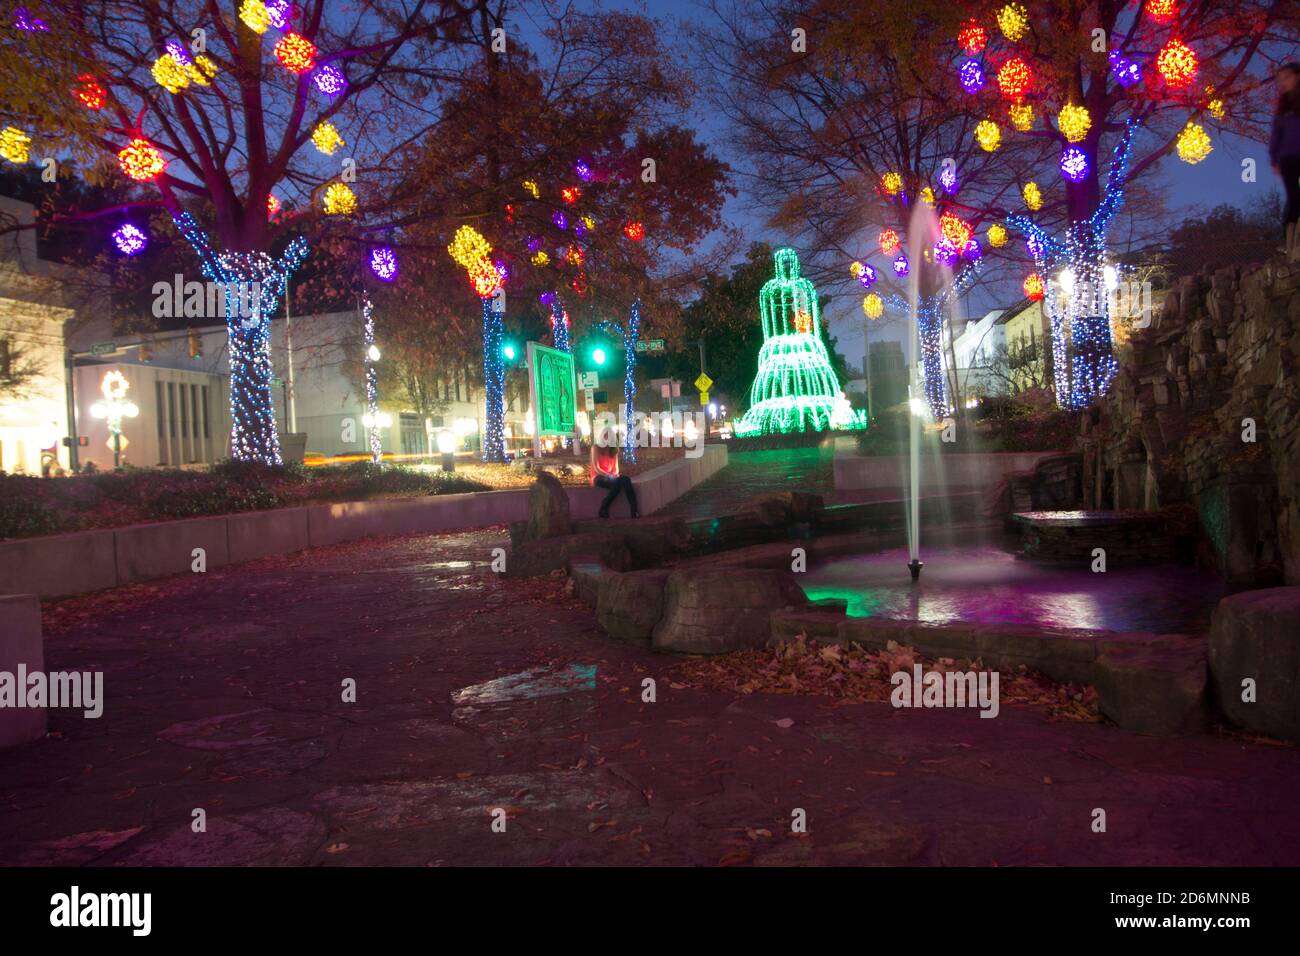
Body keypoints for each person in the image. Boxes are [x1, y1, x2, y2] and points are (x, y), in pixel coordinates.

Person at [1271, 62, 1300, 253]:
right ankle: (1289, 242)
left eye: (1287, 77)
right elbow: (1276, 134)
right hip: (1289, 157)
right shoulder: (1283, 107)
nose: (1284, 82)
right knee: (1293, 197)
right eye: (1280, 79)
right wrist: (1274, 158)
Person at [590, 440, 638, 518]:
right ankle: (604, 506)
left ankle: (634, 510)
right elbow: (596, 468)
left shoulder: (613, 450)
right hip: (598, 477)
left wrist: (614, 476)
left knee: (626, 479)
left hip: (611, 477)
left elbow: (616, 469)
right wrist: (608, 475)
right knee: (618, 484)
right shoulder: (596, 448)